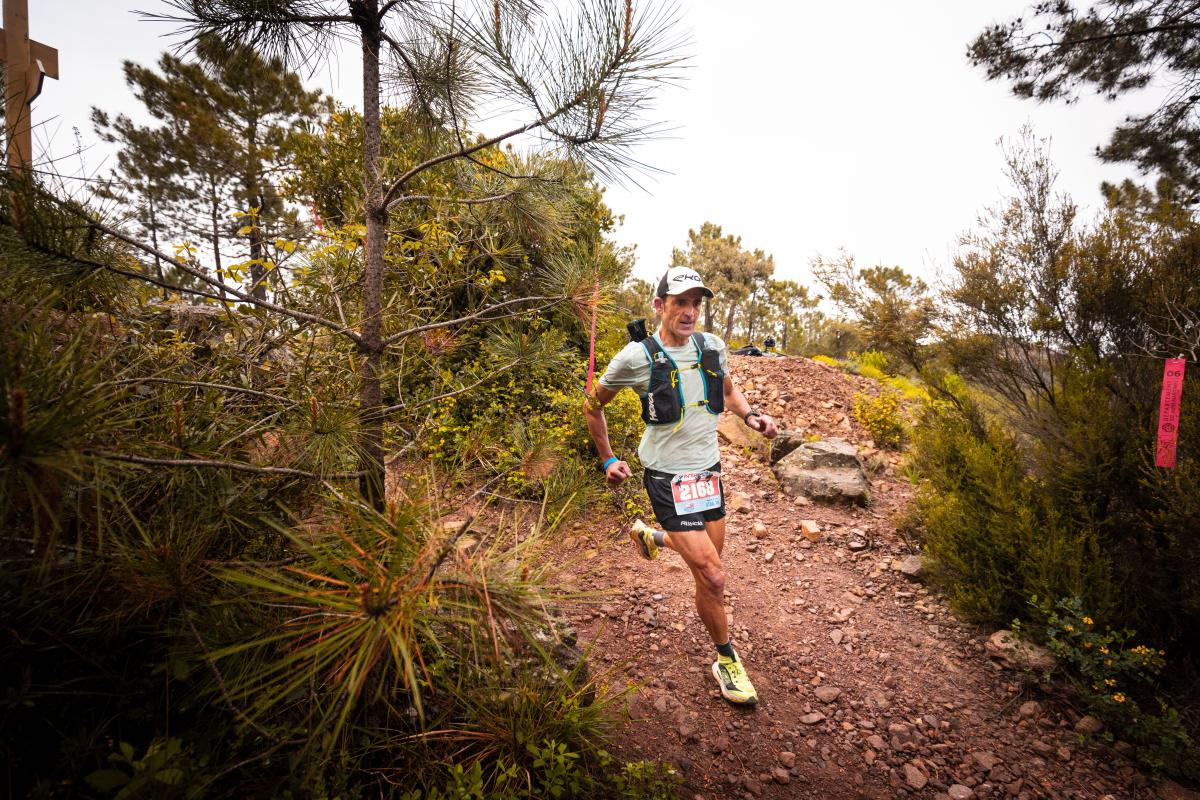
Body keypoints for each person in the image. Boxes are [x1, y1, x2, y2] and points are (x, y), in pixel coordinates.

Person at [583, 266, 778, 705]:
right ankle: (726, 660)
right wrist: (608, 459)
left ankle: (651, 537)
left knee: (705, 565)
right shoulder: (635, 358)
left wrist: (751, 416)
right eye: (680, 303)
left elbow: (728, 391)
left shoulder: (712, 347)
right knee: (713, 576)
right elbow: (593, 406)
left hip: (707, 474)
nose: (689, 312)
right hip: (666, 478)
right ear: (660, 306)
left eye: (696, 303)